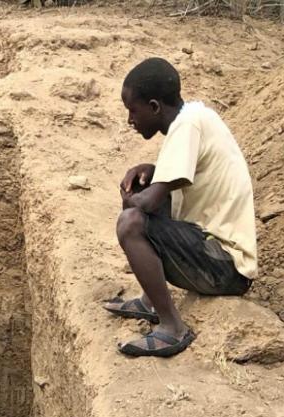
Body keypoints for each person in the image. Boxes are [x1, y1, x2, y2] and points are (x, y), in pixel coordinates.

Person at [105, 57, 258, 357]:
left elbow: (148, 203)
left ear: (154, 107)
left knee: (131, 222)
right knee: (145, 200)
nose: (130, 121)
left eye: (132, 111)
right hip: (217, 255)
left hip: (226, 267)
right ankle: (150, 301)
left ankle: (172, 328)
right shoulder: (196, 116)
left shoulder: (187, 126)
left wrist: (129, 197)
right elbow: (178, 181)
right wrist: (150, 169)